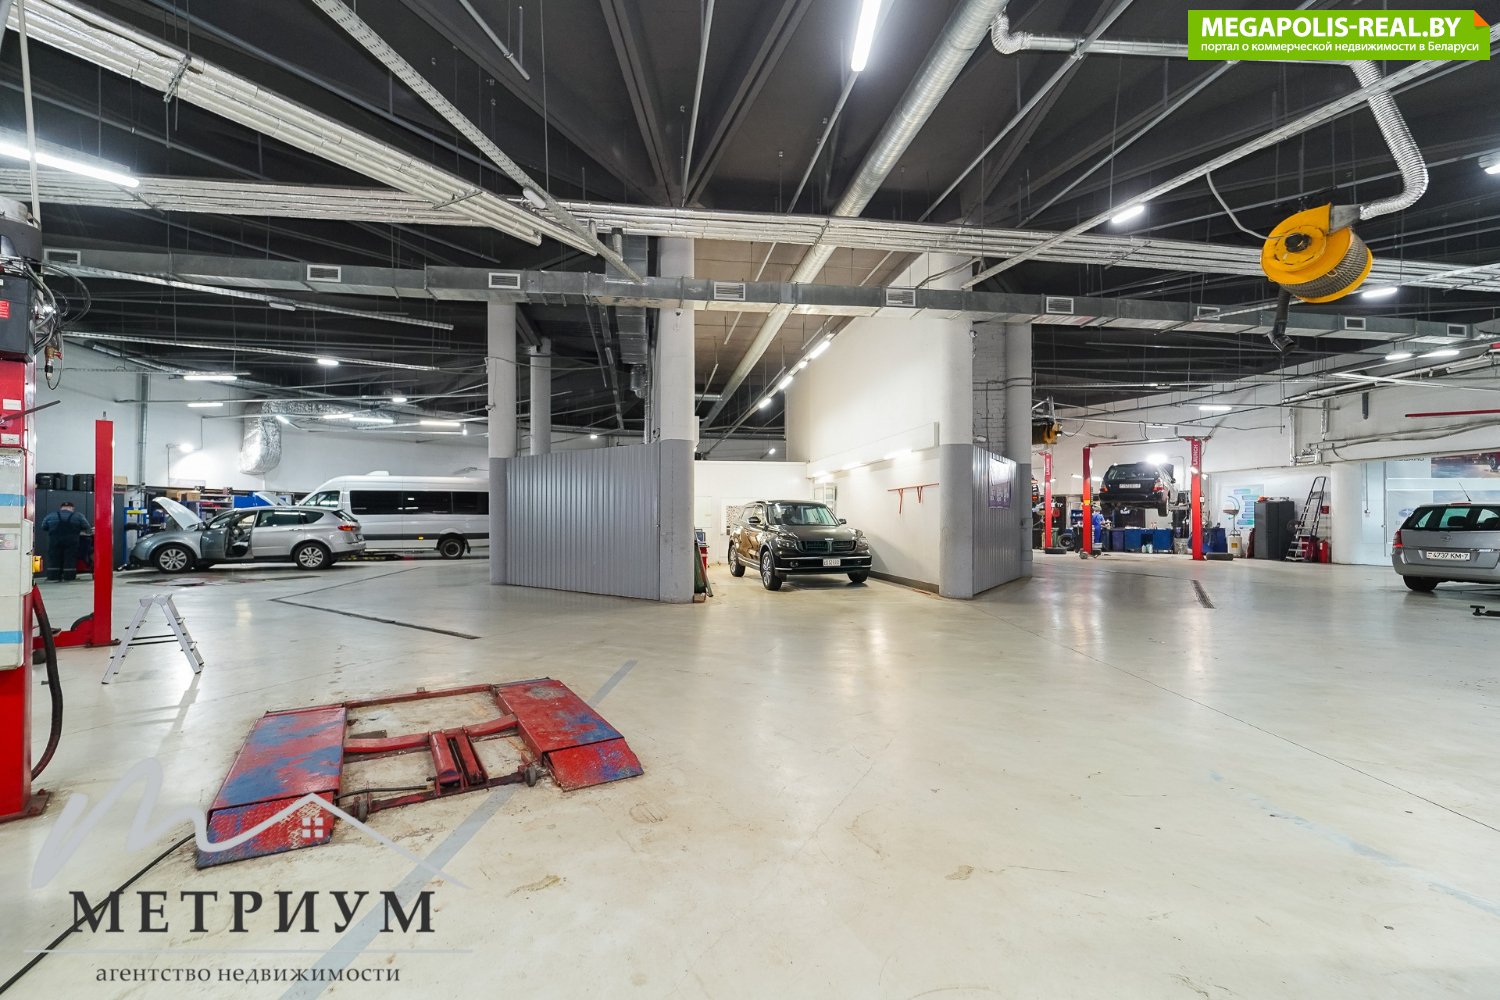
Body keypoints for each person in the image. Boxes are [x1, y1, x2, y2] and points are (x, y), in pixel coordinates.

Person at [41, 501, 92, 582]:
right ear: (72, 508)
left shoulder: (51, 515)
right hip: (72, 540)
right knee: (70, 558)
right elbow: (86, 526)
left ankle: (53, 577)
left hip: (55, 540)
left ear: (61, 508)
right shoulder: (78, 516)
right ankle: (69, 577)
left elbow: (44, 526)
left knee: (54, 558)